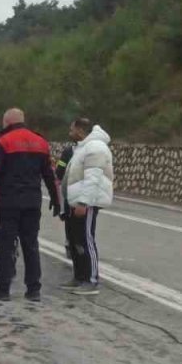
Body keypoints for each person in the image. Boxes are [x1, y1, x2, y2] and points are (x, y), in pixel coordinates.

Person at [0, 108, 61, 302]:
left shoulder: (4, 141)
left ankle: (3, 290)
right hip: (32, 204)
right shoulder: (41, 142)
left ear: (7, 122)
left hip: (9, 204)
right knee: (31, 245)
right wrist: (57, 200)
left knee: (5, 246)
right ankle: (33, 290)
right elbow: (51, 176)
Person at [60, 118, 114, 295]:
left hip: (86, 203)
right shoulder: (83, 147)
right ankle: (79, 277)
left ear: (81, 131)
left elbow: (93, 178)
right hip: (75, 202)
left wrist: (84, 202)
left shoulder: (95, 147)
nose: (70, 133)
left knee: (85, 239)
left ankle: (91, 280)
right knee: (76, 241)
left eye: (72, 129)